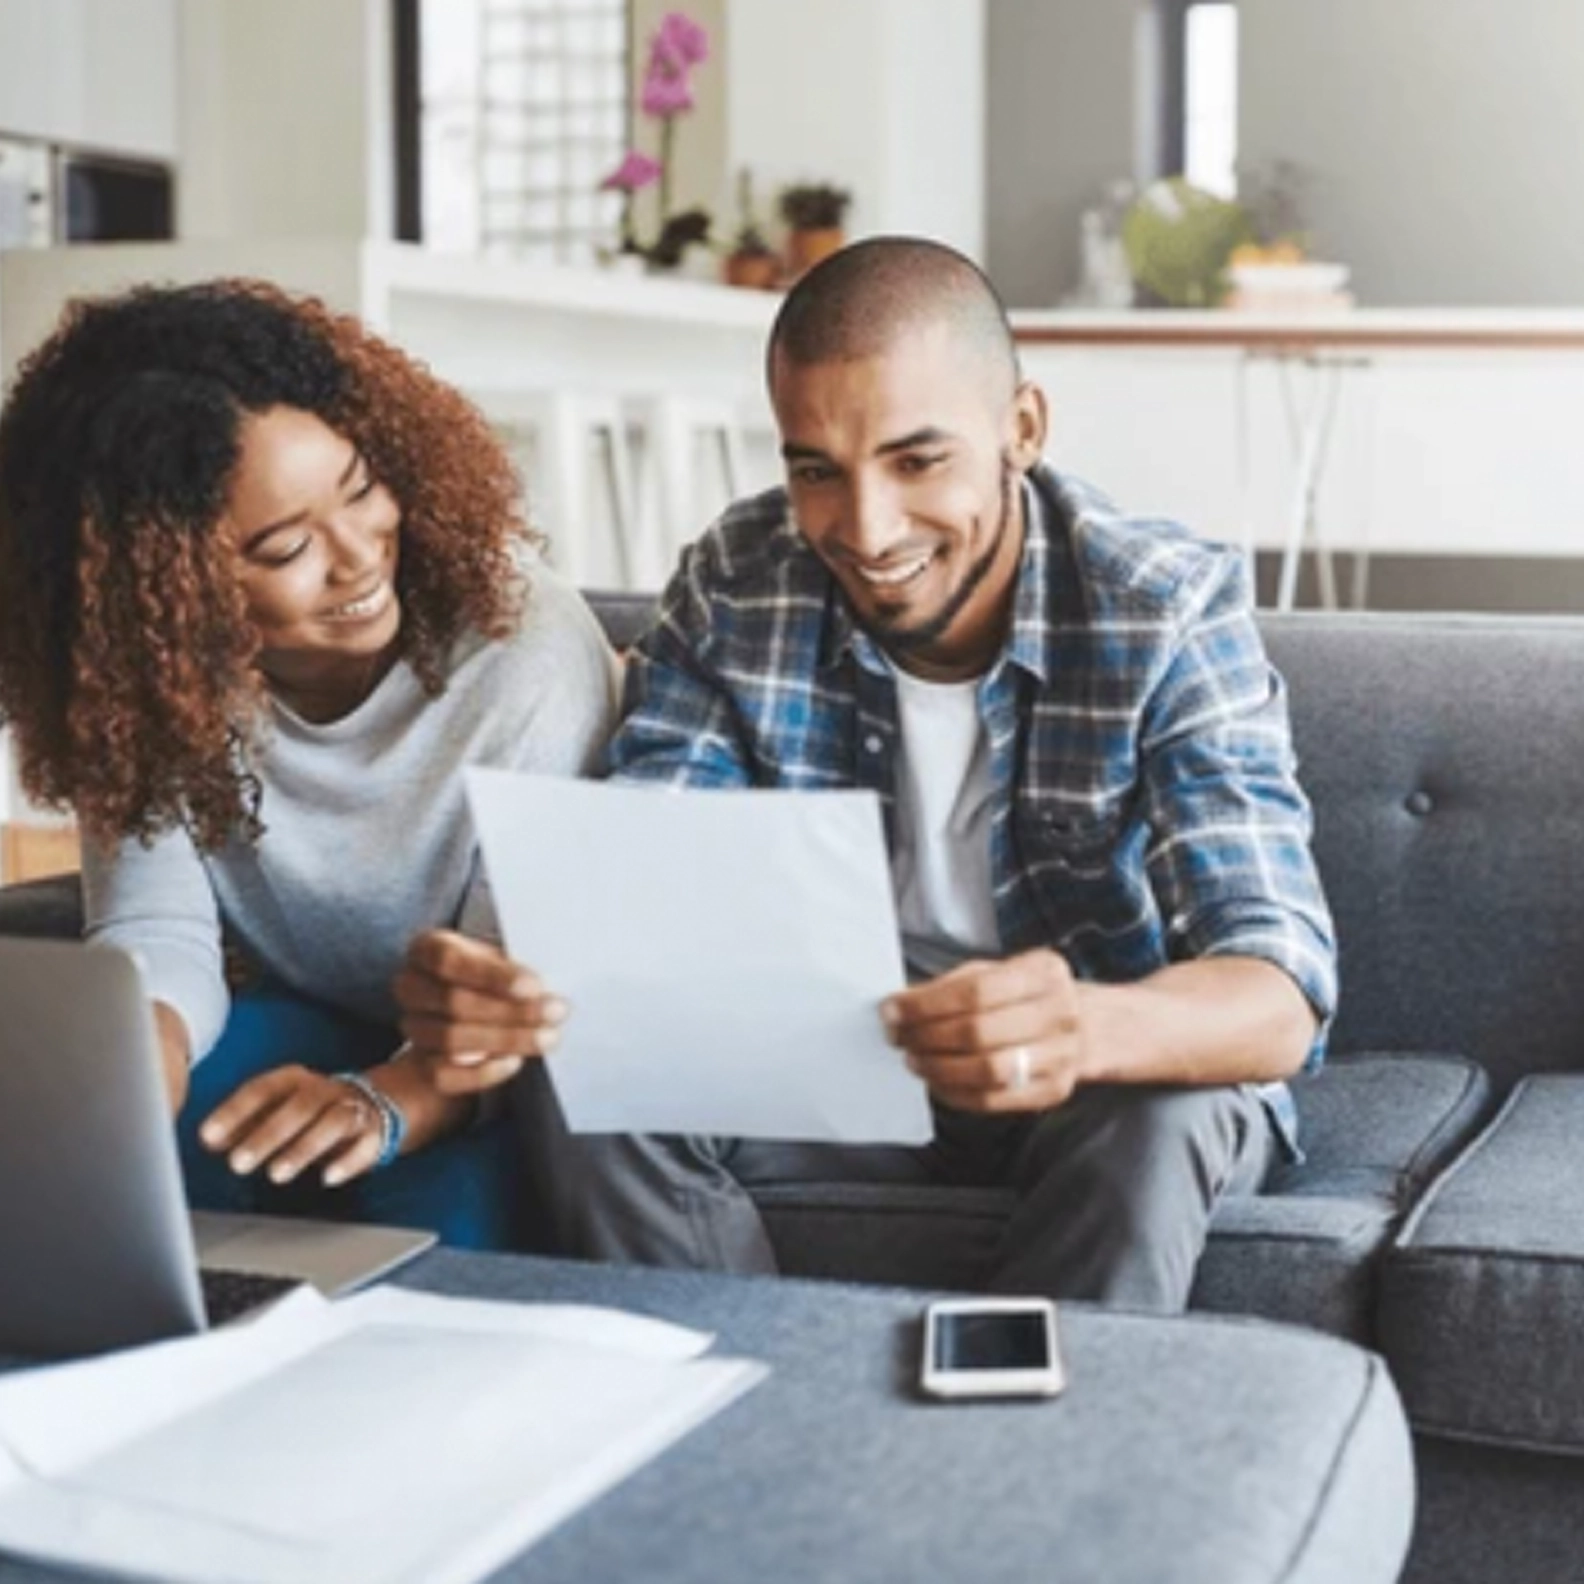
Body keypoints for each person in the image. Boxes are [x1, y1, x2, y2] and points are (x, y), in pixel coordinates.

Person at [393, 237, 1337, 1309]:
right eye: (816, 472)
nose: (866, 529)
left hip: (1098, 1074)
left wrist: (1080, 1025)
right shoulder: (741, 584)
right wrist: (514, 977)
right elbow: (653, 866)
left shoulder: (1162, 606)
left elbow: (1278, 989)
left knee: (1162, 1114)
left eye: (917, 460)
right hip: (845, 1066)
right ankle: (744, 1426)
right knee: (581, 1074)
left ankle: (1035, 1469)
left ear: (1021, 429)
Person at [0, 279, 619, 1227]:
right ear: (167, 590)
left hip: (487, 1062)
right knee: (132, 1174)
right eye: (286, 548)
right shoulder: (144, 683)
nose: (361, 556)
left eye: (364, 490)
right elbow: (159, 939)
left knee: (446, 1228)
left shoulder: (524, 646)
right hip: (297, 1016)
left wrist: (388, 1100)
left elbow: (512, 994)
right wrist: (129, 1073)